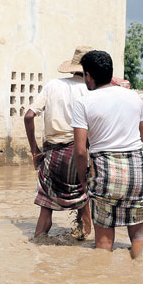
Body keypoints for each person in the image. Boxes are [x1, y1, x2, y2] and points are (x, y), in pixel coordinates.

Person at [71, 50, 143, 260]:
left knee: (104, 241)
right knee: (139, 236)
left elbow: (80, 151)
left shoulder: (83, 103)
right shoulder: (134, 97)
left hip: (105, 171)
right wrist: (133, 163)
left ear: (88, 75)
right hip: (136, 169)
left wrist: (83, 178)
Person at [23, 46, 91, 240]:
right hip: (79, 152)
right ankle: (86, 251)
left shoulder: (53, 85)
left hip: (52, 154)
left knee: (46, 207)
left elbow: (28, 116)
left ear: (71, 68)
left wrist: (34, 151)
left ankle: (37, 242)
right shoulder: (90, 90)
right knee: (84, 199)